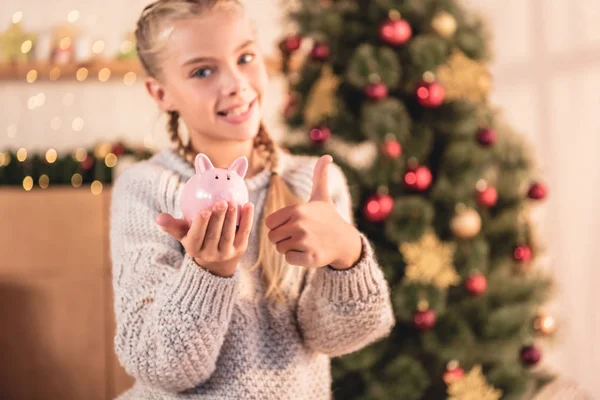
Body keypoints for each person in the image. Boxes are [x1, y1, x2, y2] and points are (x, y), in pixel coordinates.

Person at [109, 0, 395, 398]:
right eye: (202, 71)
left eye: (245, 57)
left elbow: (335, 338)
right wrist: (208, 273)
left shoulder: (313, 183)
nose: (236, 84)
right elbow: (161, 365)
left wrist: (347, 256)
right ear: (161, 93)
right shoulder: (145, 189)